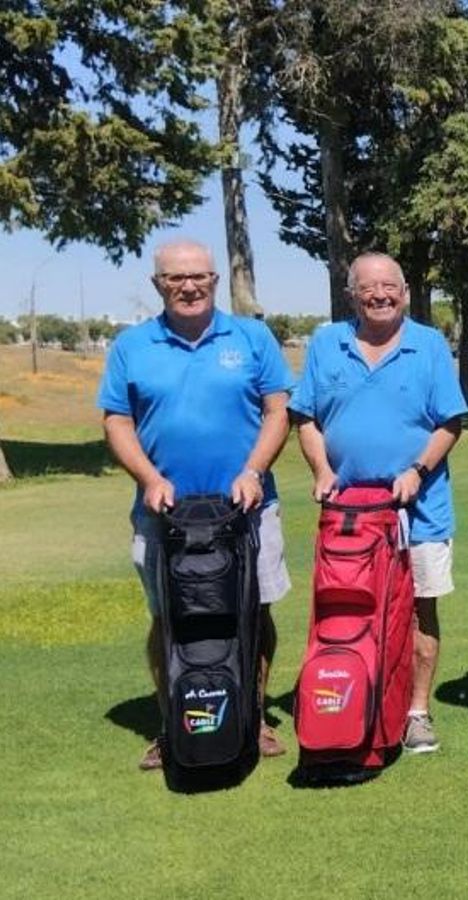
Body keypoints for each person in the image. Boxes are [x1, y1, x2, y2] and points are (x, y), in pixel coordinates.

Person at [98, 238, 293, 771]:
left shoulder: (252, 337)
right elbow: (116, 419)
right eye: (175, 279)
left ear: (214, 280)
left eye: (199, 277)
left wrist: (254, 470)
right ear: (158, 284)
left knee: (255, 611)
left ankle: (251, 716)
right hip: (164, 512)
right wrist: (147, 477)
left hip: (247, 509)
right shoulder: (132, 346)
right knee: (168, 617)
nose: (188, 286)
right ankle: (173, 723)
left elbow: (278, 410)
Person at [289, 252, 468, 753]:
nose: (380, 295)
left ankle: (414, 712)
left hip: (419, 509)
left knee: (419, 610)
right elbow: (305, 418)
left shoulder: (429, 345)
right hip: (348, 516)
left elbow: (449, 422)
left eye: (390, 286)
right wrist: (322, 470)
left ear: (406, 291)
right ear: (352, 294)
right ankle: (355, 700)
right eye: (368, 287)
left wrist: (417, 470)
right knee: (345, 609)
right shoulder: (327, 342)